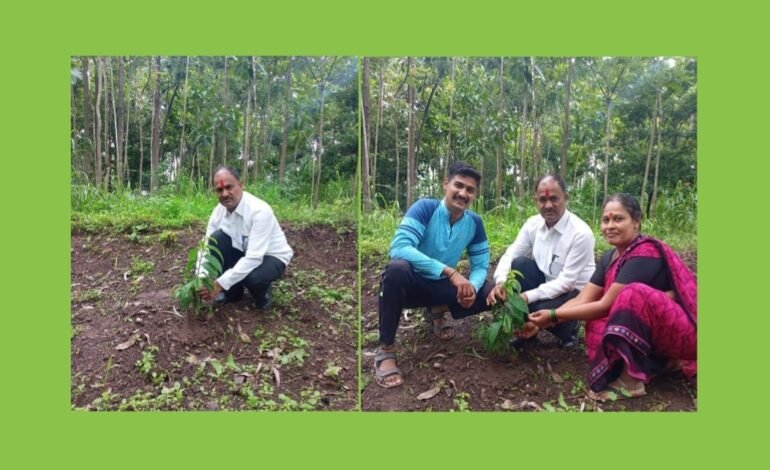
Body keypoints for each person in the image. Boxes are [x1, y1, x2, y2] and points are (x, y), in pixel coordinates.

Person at [525, 194, 696, 401]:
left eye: (618, 219)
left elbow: (606, 305)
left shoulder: (645, 253)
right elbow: (583, 299)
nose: (610, 225)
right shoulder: (609, 257)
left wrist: (552, 315)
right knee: (596, 328)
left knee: (631, 294)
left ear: (636, 221)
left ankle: (630, 381)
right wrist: (540, 323)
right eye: (606, 220)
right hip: (651, 332)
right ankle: (664, 362)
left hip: (683, 332)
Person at [374, 161, 495, 388]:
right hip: (413, 285)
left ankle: (437, 310)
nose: (463, 193)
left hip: (441, 287)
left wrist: (472, 287)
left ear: (475, 195)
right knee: (397, 270)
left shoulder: (474, 223)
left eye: (470, 190)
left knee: (489, 292)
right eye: (458, 186)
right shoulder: (426, 208)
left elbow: (480, 265)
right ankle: (386, 349)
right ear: (446, 184)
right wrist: (449, 272)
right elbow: (399, 247)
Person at [486, 174, 595, 349]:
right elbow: (511, 254)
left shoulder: (580, 233)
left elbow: (566, 282)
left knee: (539, 305)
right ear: (535, 200)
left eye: (554, 199)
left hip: (573, 292)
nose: (548, 205)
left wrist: (526, 297)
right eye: (542, 200)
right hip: (546, 281)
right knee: (520, 264)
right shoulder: (533, 224)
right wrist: (500, 282)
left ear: (565, 198)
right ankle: (527, 333)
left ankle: (568, 329)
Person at [197, 166, 293, 310]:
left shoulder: (259, 211)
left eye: (229, 187)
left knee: (253, 278)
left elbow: (254, 258)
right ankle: (233, 293)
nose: (224, 194)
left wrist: (219, 284)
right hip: (245, 250)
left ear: (241, 185)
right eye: (219, 190)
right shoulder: (219, 211)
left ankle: (263, 294)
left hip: (271, 255)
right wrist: (201, 277)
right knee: (216, 239)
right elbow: (206, 244)